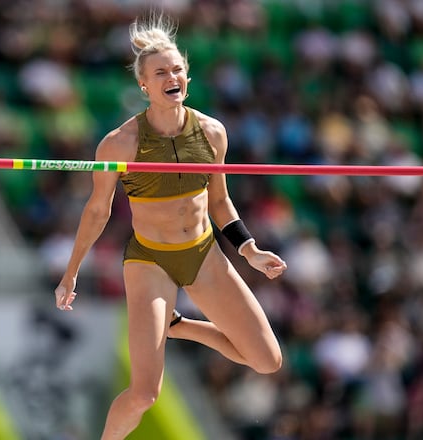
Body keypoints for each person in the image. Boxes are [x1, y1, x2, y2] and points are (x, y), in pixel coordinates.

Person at [54, 13, 287, 440]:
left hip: (203, 254)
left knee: (267, 361)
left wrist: (248, 249)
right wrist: (70, 273)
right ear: (144, 85)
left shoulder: (213, 133)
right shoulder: (120, 142)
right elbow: (96, 212)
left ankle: (180, 326)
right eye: (160, 72)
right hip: (150, 262)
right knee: (145, 394)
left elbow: (219, 201)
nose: (172, 76)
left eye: (178, 69)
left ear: (187, 77)